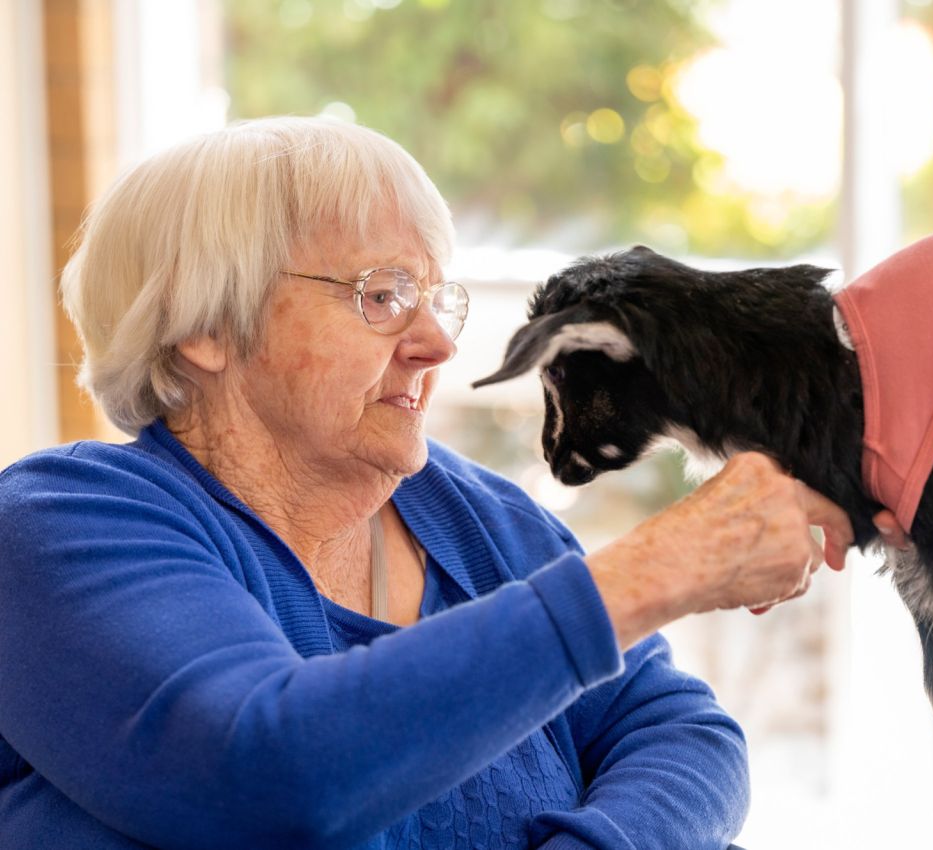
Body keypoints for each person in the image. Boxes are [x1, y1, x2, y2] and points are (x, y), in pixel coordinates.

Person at [0, 116, 855, 850]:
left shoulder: (475, 515)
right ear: (205, 325)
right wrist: (662, 566)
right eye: (382, 295)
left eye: (434, 298)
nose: (437, 346)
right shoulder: (64, 526)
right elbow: (272, 773)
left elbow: (678, 730)